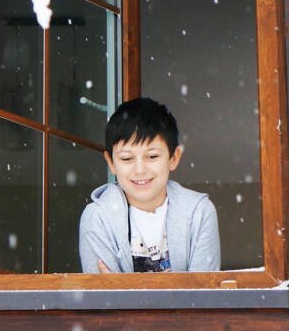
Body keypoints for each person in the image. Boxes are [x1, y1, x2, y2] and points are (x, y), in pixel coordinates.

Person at [79, 97, 220, 273]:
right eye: (127, 158)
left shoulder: (199, 212)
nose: (139, 170)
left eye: (152, 156)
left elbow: (203, 296)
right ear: (111, 162)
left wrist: (122, 291)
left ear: (174, 158)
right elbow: (103, 299)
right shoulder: (97, 218)